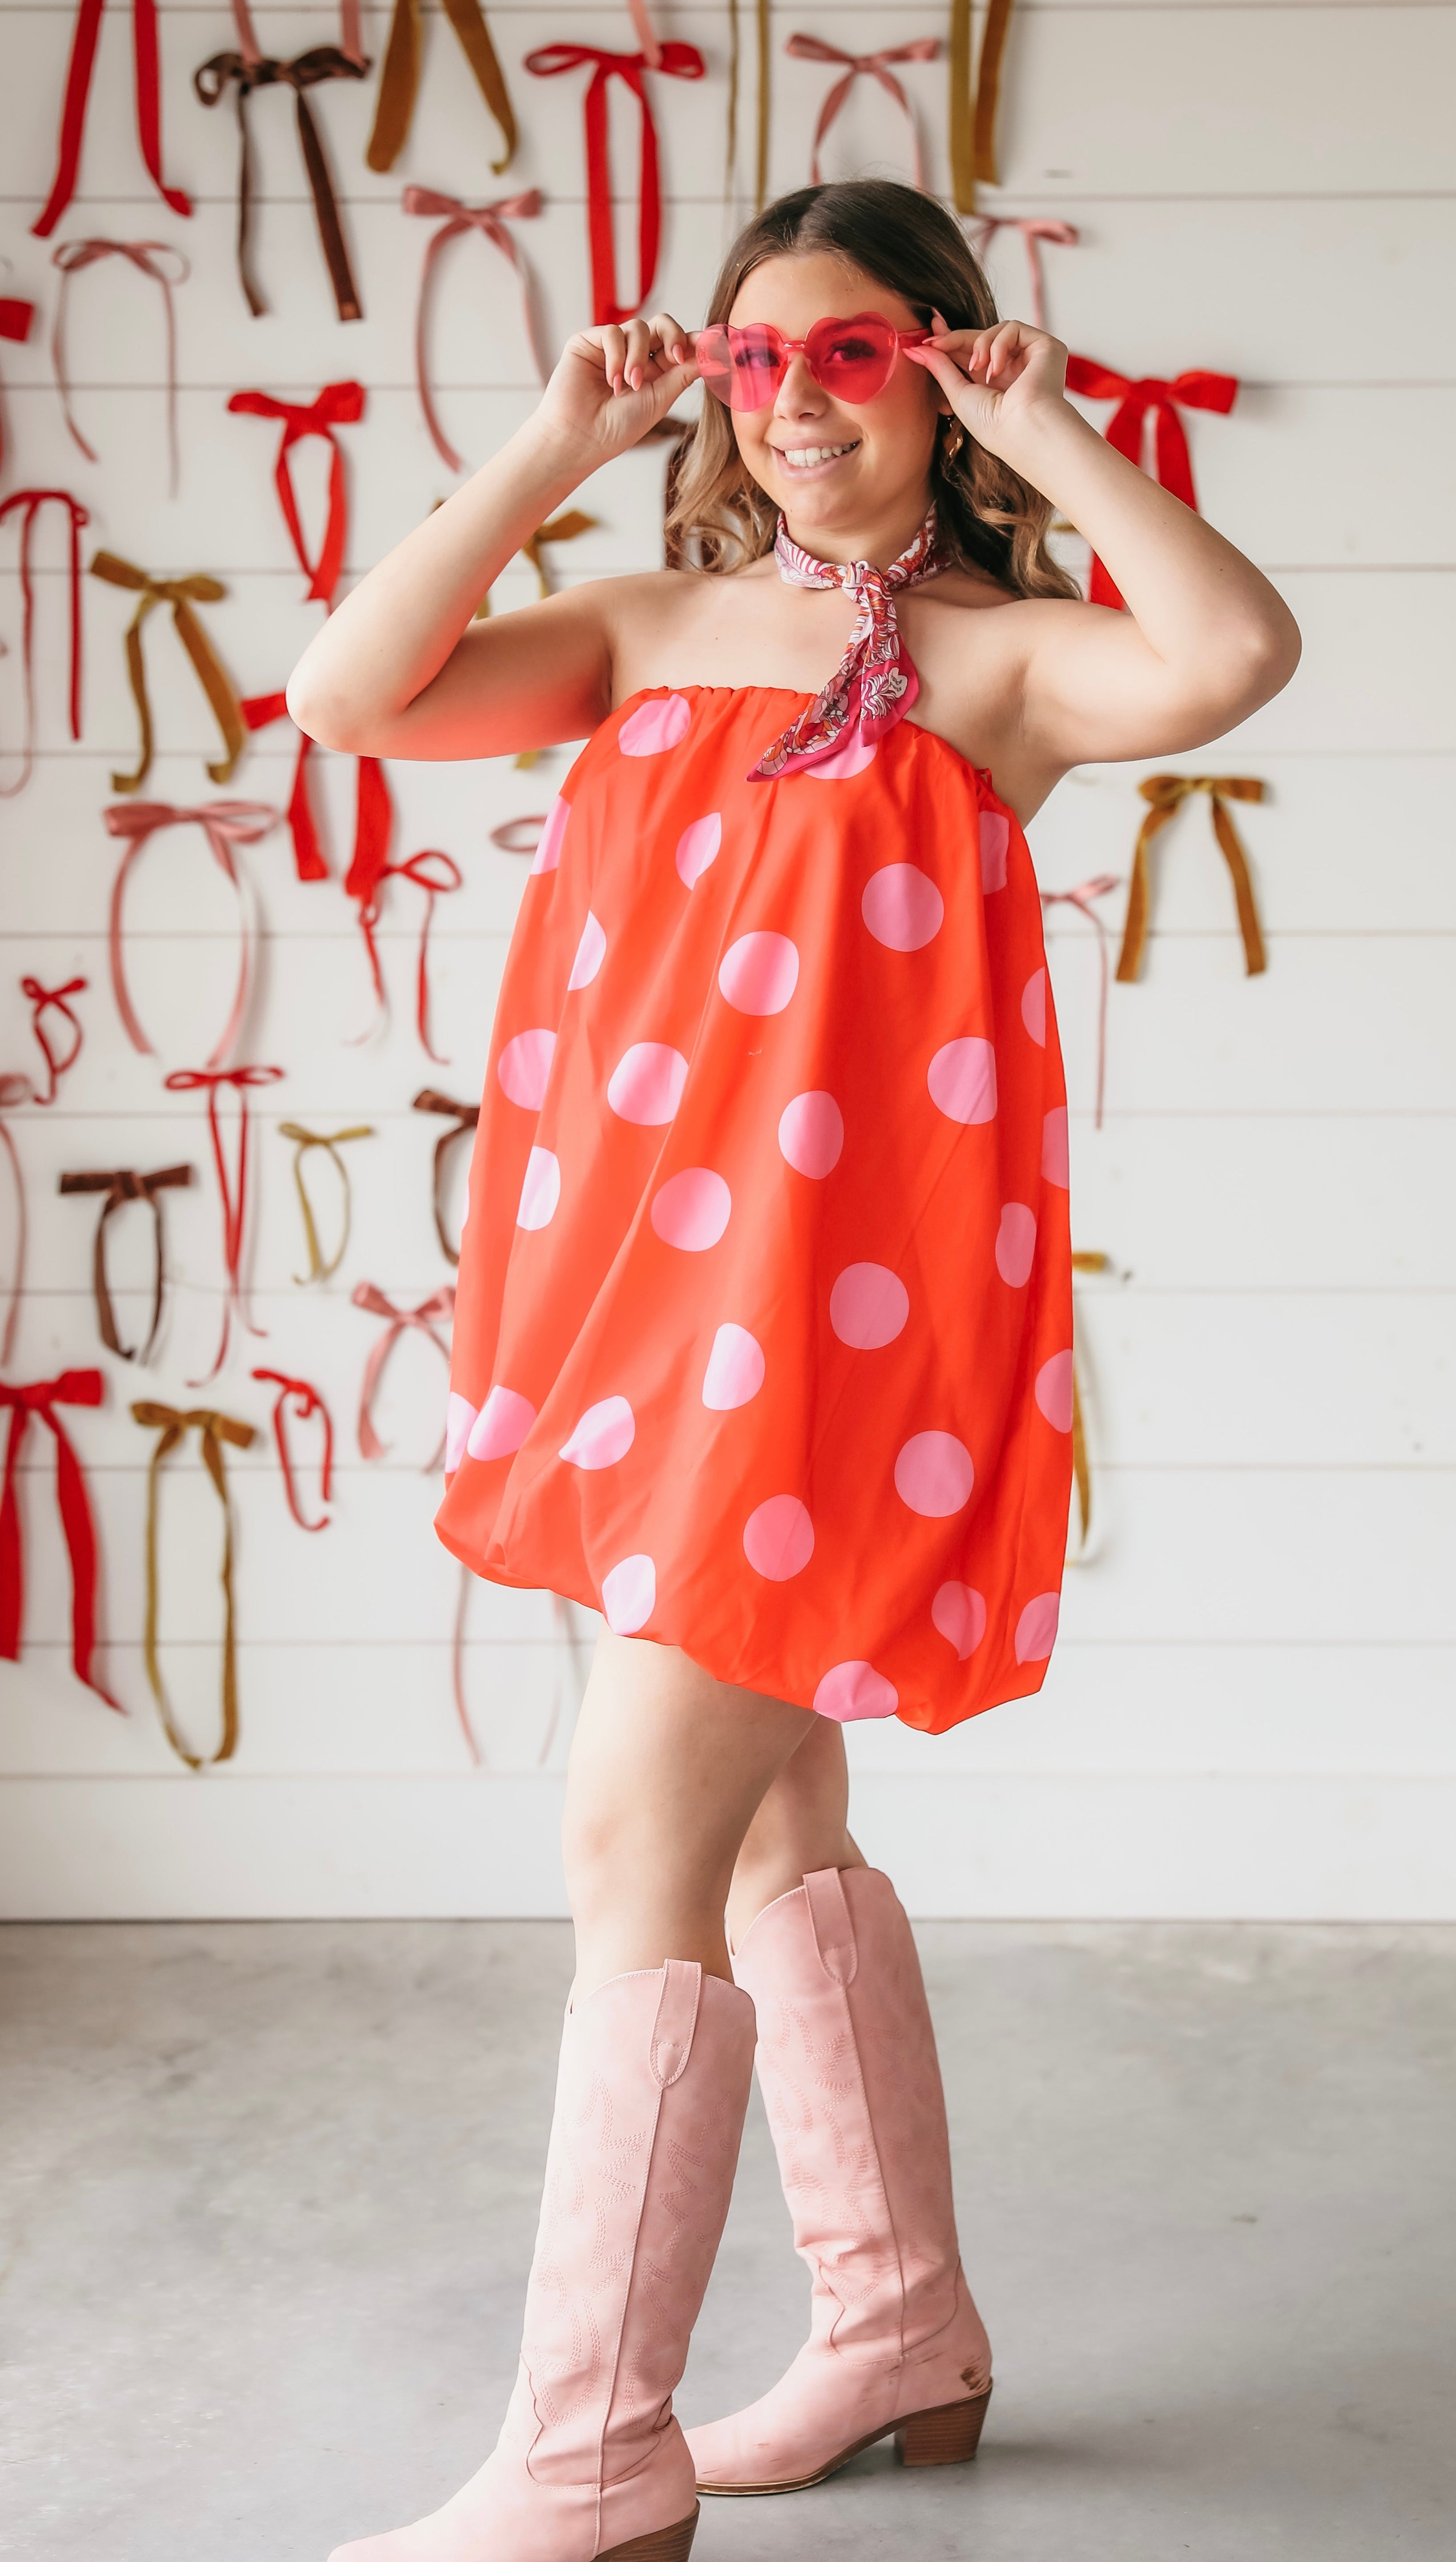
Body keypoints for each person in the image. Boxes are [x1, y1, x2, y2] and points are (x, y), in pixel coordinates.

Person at [289, 178, 1299, 2562]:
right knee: (769, 1825)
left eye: (858, 353)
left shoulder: (1002, 665)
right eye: (760, 358)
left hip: (833, 1330)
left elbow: (1236, 650)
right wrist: (552, 446)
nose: (799, 401)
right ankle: (898, 2325)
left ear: (941, 370)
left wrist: (1056, 441)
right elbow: (352, 696)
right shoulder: (651, 623)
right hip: (641, 1312)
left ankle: (590, 2455)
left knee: (629, 1833)